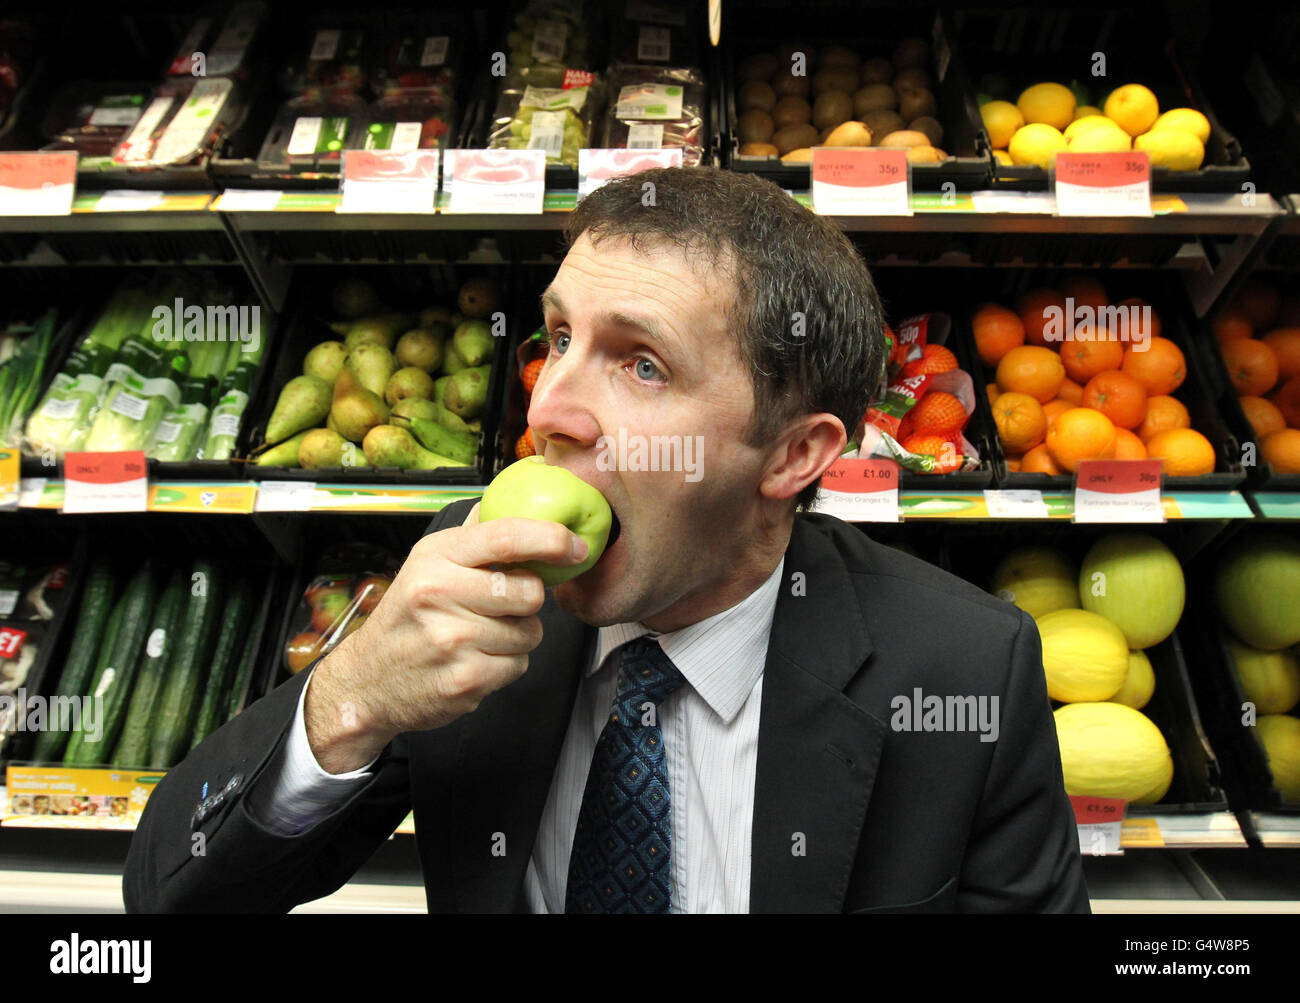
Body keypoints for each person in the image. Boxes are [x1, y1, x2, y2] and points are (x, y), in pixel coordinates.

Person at [124, 167, 1089, 914]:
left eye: (641, 363)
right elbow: (171, 889)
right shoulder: (477, 582)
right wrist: (350, 698)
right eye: (556, 336)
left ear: (795, 453)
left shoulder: (966, 666)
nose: (549, 408)